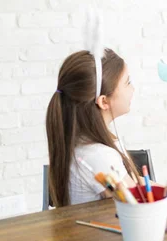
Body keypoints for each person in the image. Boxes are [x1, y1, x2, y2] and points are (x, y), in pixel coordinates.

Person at [46, 47, 138, 206]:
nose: (133, 88)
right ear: (104, 101)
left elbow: (138, 184)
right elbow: (139, 205)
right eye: (127, 82)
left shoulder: (85, 144)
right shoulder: (98, 156)